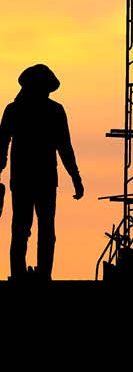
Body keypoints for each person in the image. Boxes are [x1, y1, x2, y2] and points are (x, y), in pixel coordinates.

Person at [0, 64, 83, 283]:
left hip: (27, 180)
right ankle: (36, 274)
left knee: (25, 229)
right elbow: (65, 148)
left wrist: (76, 177)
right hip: (36, 180)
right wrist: (76, 178)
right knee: (35, 230)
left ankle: (29, 274)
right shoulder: (51, 111)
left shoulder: (16, 110)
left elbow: (64, 147)